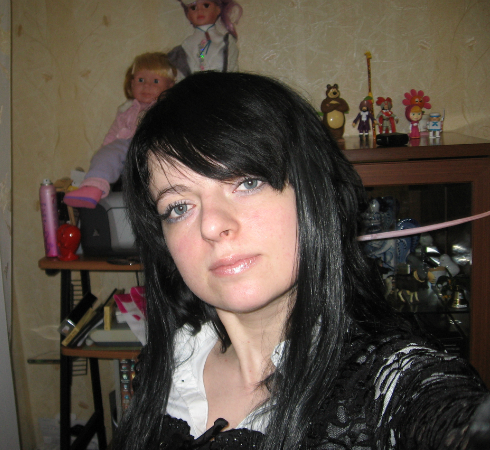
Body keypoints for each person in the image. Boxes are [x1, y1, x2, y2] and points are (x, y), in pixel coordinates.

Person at [113, 71, 490, 449]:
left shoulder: (385, 380)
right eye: (179, 207)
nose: (211, 225)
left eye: (247, 183)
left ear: (313, 194)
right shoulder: (171, 362)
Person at [63, 52, 176, 208]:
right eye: (141, 80)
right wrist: (105, 153)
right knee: (108, 153)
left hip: (151, 149)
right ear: (131, 83)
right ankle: (93, 187)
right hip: (125, 148)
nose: (146, 86)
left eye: (155, 81)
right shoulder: (126, 110)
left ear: (170, 86)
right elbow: (113, 134)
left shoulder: (167, 108)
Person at [167, 0, 242, 81]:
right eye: (193, 8)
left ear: (218, 9)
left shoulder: (226, 42)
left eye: (206, 5)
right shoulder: (186, 45)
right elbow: (180, 78)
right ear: (188, 15)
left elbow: (232, 70)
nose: (199, 11)